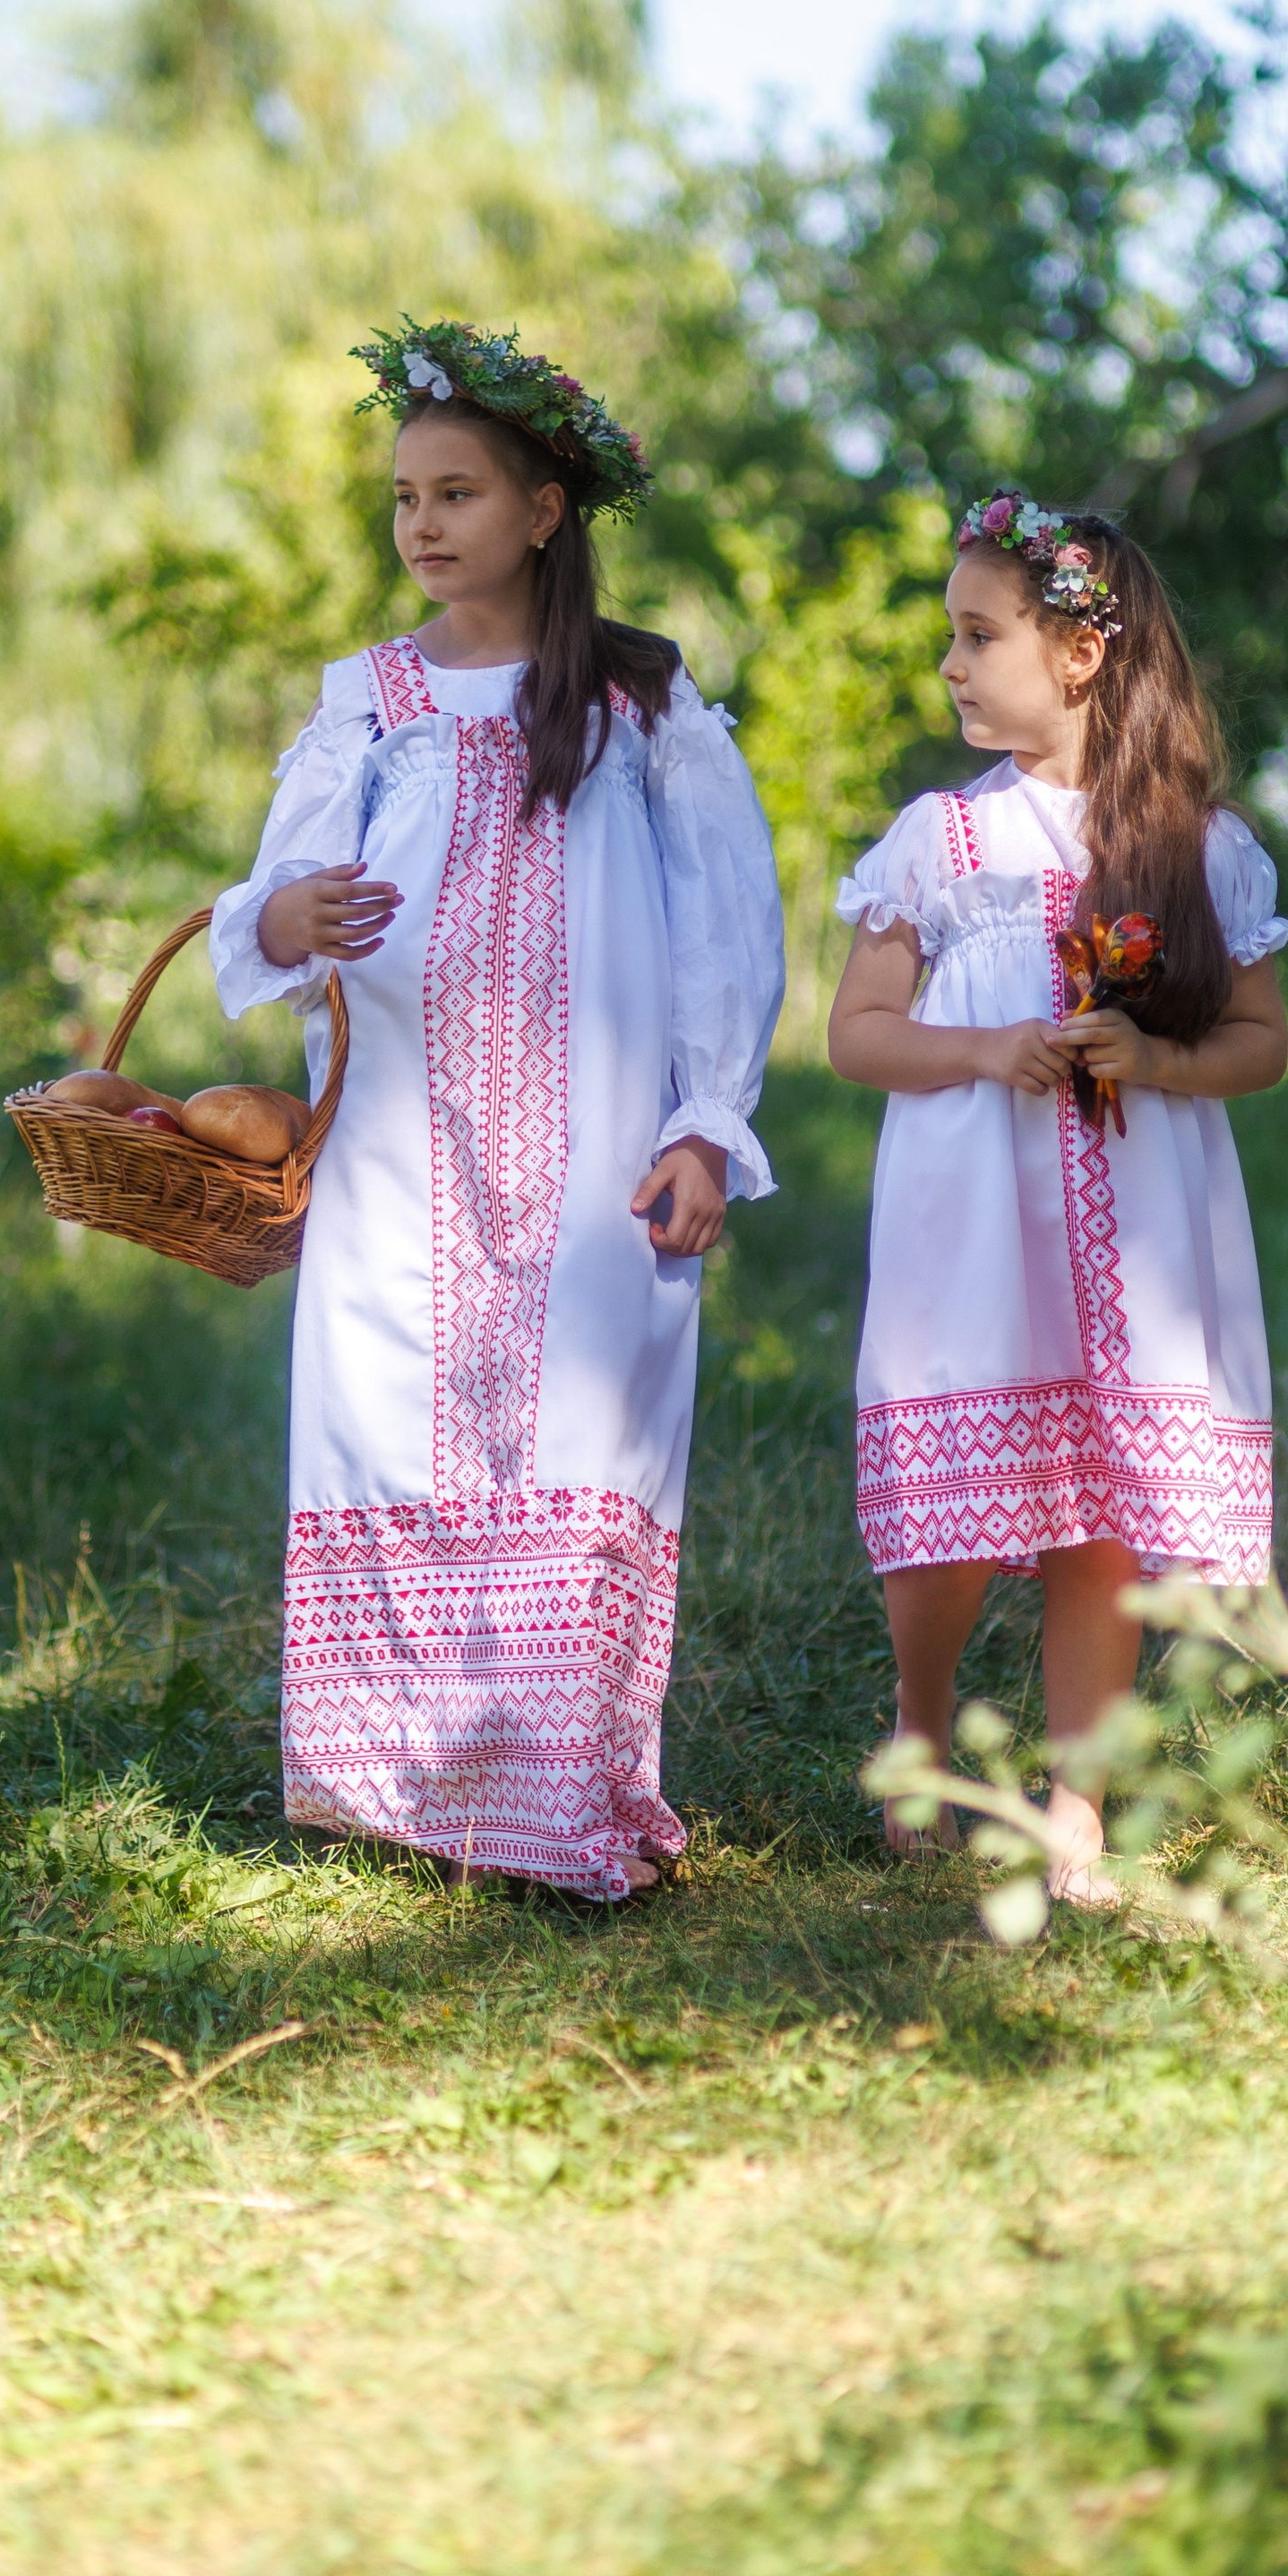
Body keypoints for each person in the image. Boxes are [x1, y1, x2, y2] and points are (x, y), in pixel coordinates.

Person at [210, 319, 785, 1902]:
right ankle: (398, 1793)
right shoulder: (371, 703)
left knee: (583, 1420)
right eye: (405, 495)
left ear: (545, 511)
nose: (421, 524)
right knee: (391, 1416)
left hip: (593, 1151)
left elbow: (729, 927)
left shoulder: (636, 703)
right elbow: (257, 906)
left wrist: (702, 1122)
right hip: (398, 1151)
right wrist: (288, 919)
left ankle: (559, 1790)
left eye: (457, 491)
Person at [827, 494, 1288, 1901]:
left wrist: (1152, 1055)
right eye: (950, 641)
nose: (953, 668)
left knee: (1100, 1510)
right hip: (973, 1214)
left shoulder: (1202, 849)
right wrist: (986, 1049)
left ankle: (1076, 1801)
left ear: (1082, 652)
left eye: (980, 637)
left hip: (1141, 1224)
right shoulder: (941, 842)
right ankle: (923, 1728)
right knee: (958, 1503)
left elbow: (1262, 1045)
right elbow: (858, 1032)